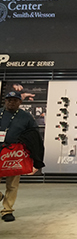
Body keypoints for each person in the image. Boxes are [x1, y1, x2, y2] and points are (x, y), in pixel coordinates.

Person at [0, 91, 43, 222]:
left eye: (14, 100)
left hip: (14, 152)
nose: (11, 102)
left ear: (20, 102)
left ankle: (7, 210)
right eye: (9, 100)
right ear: (5, 101)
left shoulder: (26, 117)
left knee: (12, 183)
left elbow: (34, 133)